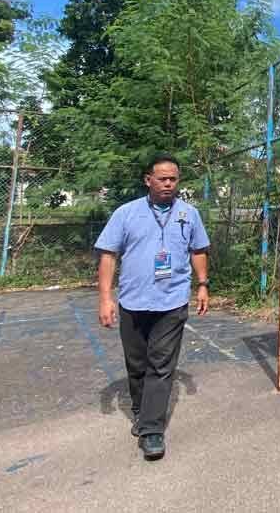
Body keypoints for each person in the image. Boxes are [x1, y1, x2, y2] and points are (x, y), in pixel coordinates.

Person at [95, 153, 211, 461]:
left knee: (161, 365)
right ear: (148, 180)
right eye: (163, 178)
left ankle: (151, 430)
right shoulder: (126, 213)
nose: (169, 184)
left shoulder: (189, 214)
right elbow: (108, 255)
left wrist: (202, 285)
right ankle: (140, 409)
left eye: (173, 179)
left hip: (172, 302)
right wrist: (105, 298)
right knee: (137, 365)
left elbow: (199, 249)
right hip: (133, 302)